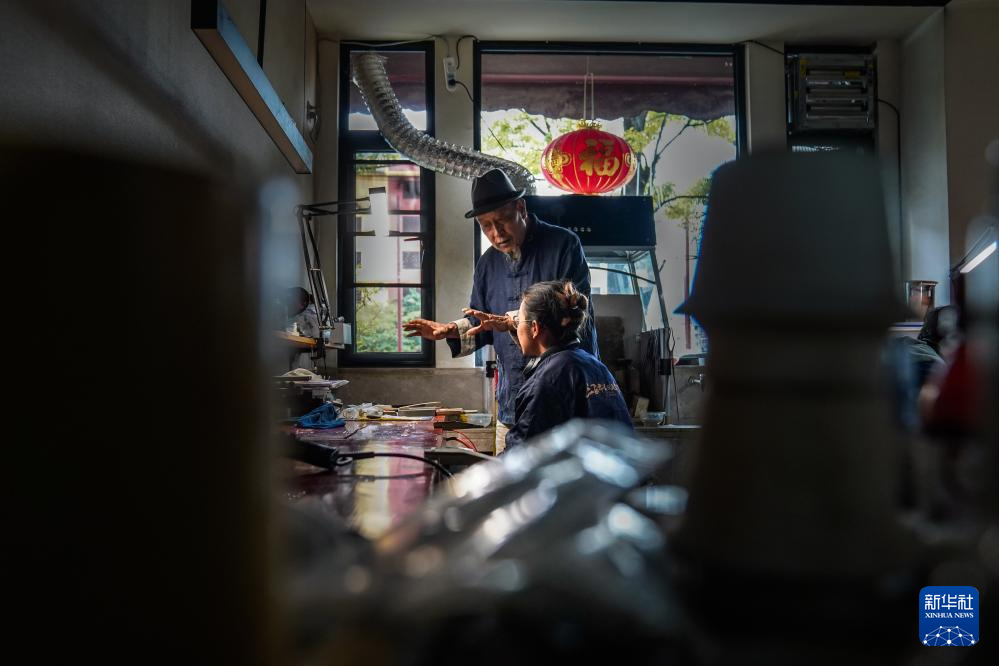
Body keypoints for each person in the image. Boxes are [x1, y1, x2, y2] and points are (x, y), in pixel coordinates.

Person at [402, 168, 598, 453]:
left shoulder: (563, 245)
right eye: (486, 226)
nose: (496, 233)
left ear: (521, 208)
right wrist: (451, 330)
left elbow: (573, 317)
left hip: (564, 404)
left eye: (502, 220)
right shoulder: (487, 264)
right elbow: (481, 321)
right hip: (512, 405)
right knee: (509, 477)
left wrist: (510, 321)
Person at [505, 280, 632, 451]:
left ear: (534, 328)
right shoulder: (594, 365)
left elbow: (519, 456)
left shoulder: (545, 381)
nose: (516, 326)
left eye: (518, 320)